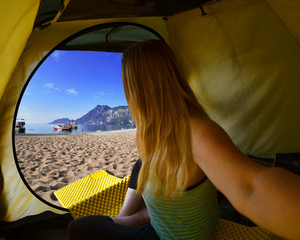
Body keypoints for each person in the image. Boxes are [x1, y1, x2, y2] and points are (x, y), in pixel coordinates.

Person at [68, 39, 220, 239]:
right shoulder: (176, 126)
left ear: (135, 89)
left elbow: (250, 187)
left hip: (167, 236)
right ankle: (136, 216)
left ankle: (138, 216)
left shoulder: (195, 132)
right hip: (186, 225)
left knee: (78, 228)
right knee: (143, 161)